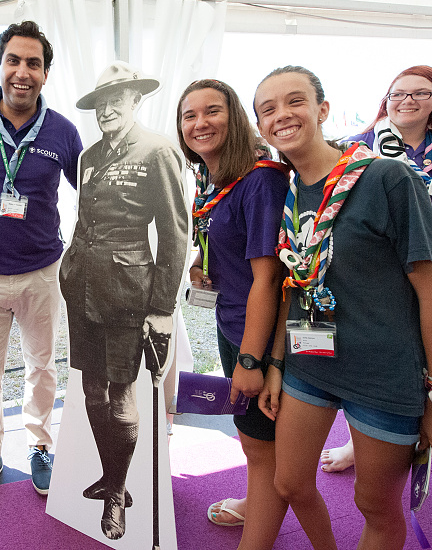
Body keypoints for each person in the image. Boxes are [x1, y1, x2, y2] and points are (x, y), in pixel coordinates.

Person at [254, 66, 432, 549]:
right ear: (261, 126)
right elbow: (294, 285)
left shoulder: (386, 177)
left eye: (295, 101)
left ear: (323, 110)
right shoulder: (286, 191)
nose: (282, 115)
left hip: (383, 374)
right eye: (268, 109)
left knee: (375, 504)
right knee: (288, 482)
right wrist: (275, 366)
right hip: (311, 362)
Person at [0, 21, 83, 511]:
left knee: (41, 367)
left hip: (41, 272)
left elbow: (92, 195)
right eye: (14, 61)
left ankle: (41, 446)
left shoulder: (64, 132)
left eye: (33, 64)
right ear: (0, 65)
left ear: (45, 74)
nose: (22, 72)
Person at [59, 62, 188, 540]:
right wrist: (68, 270)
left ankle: (118, 494)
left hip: (128, 293)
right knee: (92, 389)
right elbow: (82, 221)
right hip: (83, 288)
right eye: (100, 102)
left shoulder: (157, 151)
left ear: (137, 101)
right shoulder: (89, 154)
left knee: (120, 393)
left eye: (119, 99)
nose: (107, 109)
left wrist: (162, 308)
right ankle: (109, 476)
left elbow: (175, 234)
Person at [321, 65, 432, 473]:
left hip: (430, 253)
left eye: (419, 94)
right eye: (397, 94)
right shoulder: (356, 145)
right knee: (372, 344)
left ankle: (424, 419)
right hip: (373, 263)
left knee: (423, 341)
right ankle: (361, 439)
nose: (407, 101)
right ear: (385, 101)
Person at [176, 79, 290, 547]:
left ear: (236, 116)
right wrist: (206, 262)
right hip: (231, 322)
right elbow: (237, 247)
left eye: (212, 111)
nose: (200, 122)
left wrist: (250, 360)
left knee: (263, 446)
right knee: (252, 437)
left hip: (256, 335)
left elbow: (269, 279)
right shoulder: (215, 177)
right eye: (189, 115)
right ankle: (254, 501)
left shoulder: (260, 178)